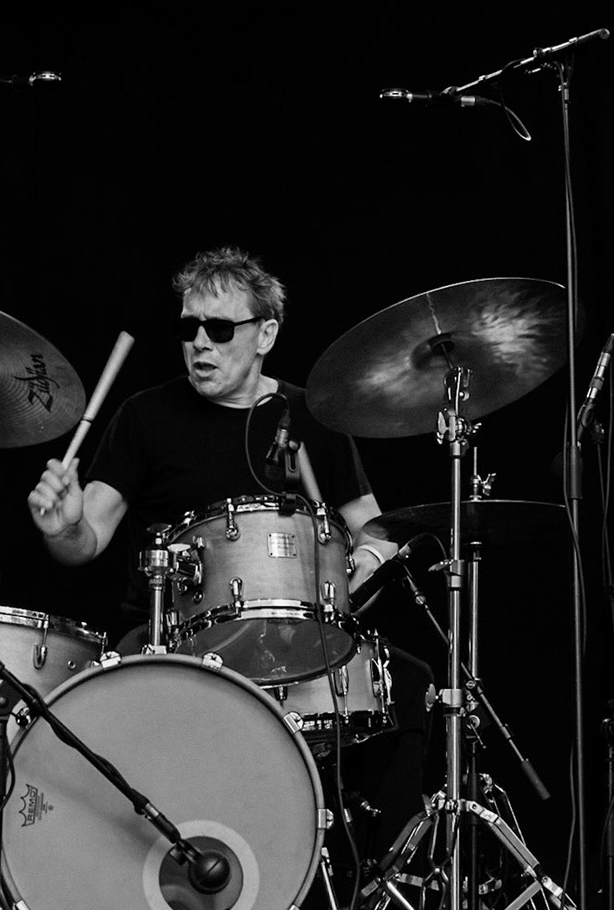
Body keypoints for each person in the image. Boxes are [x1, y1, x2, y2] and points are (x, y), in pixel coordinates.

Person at [26, 245, 399, 645]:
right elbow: (87, 541)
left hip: (294, 644)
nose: (200, 343)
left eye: (220, 329)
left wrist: (370, 558)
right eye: (189, 329)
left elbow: (376, 530)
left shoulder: (314, 416)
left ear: (266, 335)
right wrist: (63, 528)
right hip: (168, 644)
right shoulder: (144, 416)